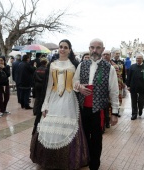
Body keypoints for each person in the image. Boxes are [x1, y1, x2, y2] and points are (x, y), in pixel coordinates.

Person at [30, 39, 89, 169]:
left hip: (69, 100)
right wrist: (45, 105)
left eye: (65, 47)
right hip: (54, 99)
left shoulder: (75, 64)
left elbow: (75, 83)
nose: (62, 49)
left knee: (69, 126)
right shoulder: (52, 64)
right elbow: (49, 86)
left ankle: (67, 160)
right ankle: (49, 160)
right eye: (61, 47)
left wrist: (78, 86)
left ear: (69, 49)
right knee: (48, 126)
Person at [73, 38, 119, 170]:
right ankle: (87, 159)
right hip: (83, 109)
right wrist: (79, 87)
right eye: (92, 47)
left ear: (103, 50)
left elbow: (114, 92)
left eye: (98, 48)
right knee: (85, 137)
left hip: (99, 111)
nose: (94, 50)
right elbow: (74, 82)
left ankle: (95, 165)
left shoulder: (109, 68)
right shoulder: (82, 65)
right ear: (89, 48)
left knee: (97, 140)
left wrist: (114, 113)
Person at [102, 50, 121, 129]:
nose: (105, 56)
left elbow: (119, 79)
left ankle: (108, 120)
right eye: (104, 54)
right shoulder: (98, 66)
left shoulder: (115, 66)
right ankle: (105, 121)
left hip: (112, 89)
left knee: (110, 106)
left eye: (107, 54)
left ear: (110, 56)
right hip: (102, 92)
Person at [127, 54, 144, 120]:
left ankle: (140, 109)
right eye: (137, 58)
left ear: (142, 59)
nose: (138, 60)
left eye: (139, 58)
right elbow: (129, 77)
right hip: (133, 86)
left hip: (142, 87)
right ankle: (134, 114)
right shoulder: (132, 67)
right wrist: (128, 85)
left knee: (141, 101)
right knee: (134, 101)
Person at [32, 57, 48, 133]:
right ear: (46, 63)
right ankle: (40, 110)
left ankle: (35, 110)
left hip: (37, 85)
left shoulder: (37, 69)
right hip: (43, 86)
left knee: (37, 98)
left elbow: (34, 77)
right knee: (42, 99)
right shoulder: (46, 70)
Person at [111, 49, 126, 117]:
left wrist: (124, 82)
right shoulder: (111, 61)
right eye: (116, 53)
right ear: (113, 54)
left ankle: (118, 110)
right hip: (112, 81)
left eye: (118, 53)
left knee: (119, 96)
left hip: (119, 82)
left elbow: (124, 73)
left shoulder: (121, 62)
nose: (117, 55)